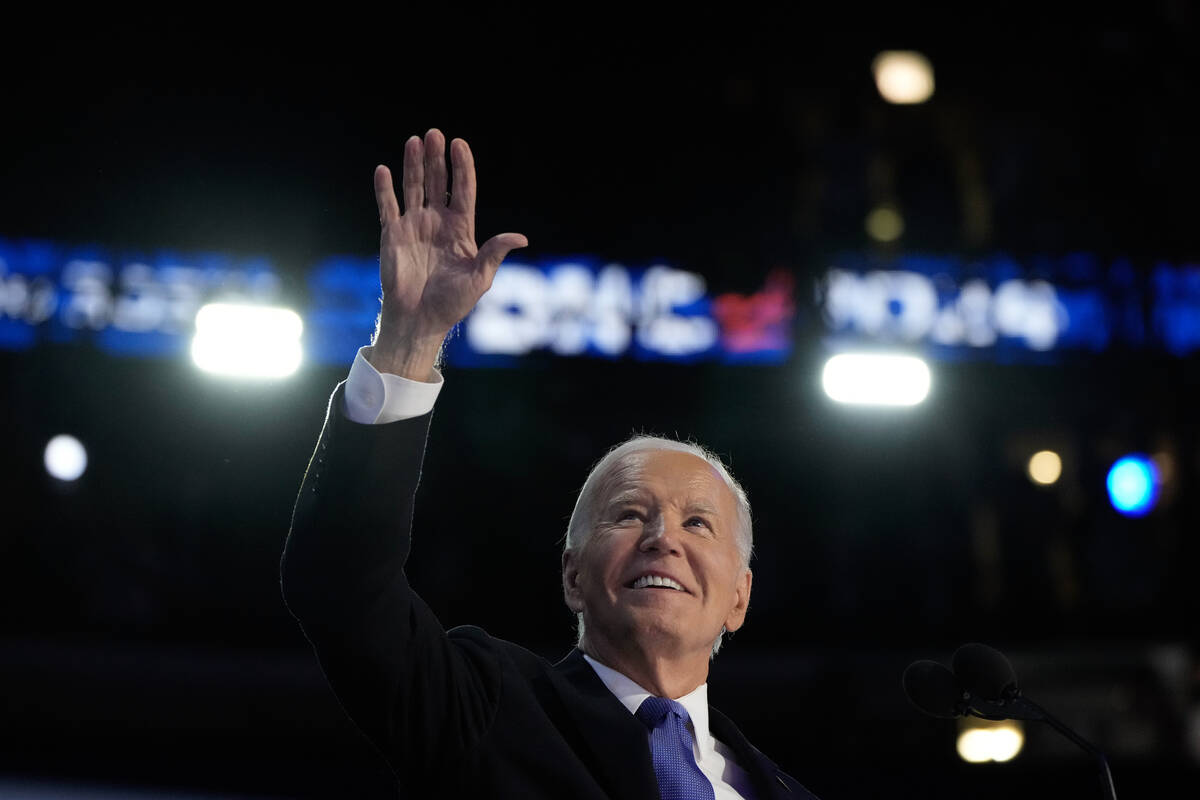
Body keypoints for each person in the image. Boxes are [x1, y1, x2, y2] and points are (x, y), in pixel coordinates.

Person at [281, 129, 817, 799]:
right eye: (628, 514)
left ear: (738, 597)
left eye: (699, 524)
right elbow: (340, 585)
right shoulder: (487, 709)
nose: (662, 538)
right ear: (572, 576)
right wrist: (410, 342)